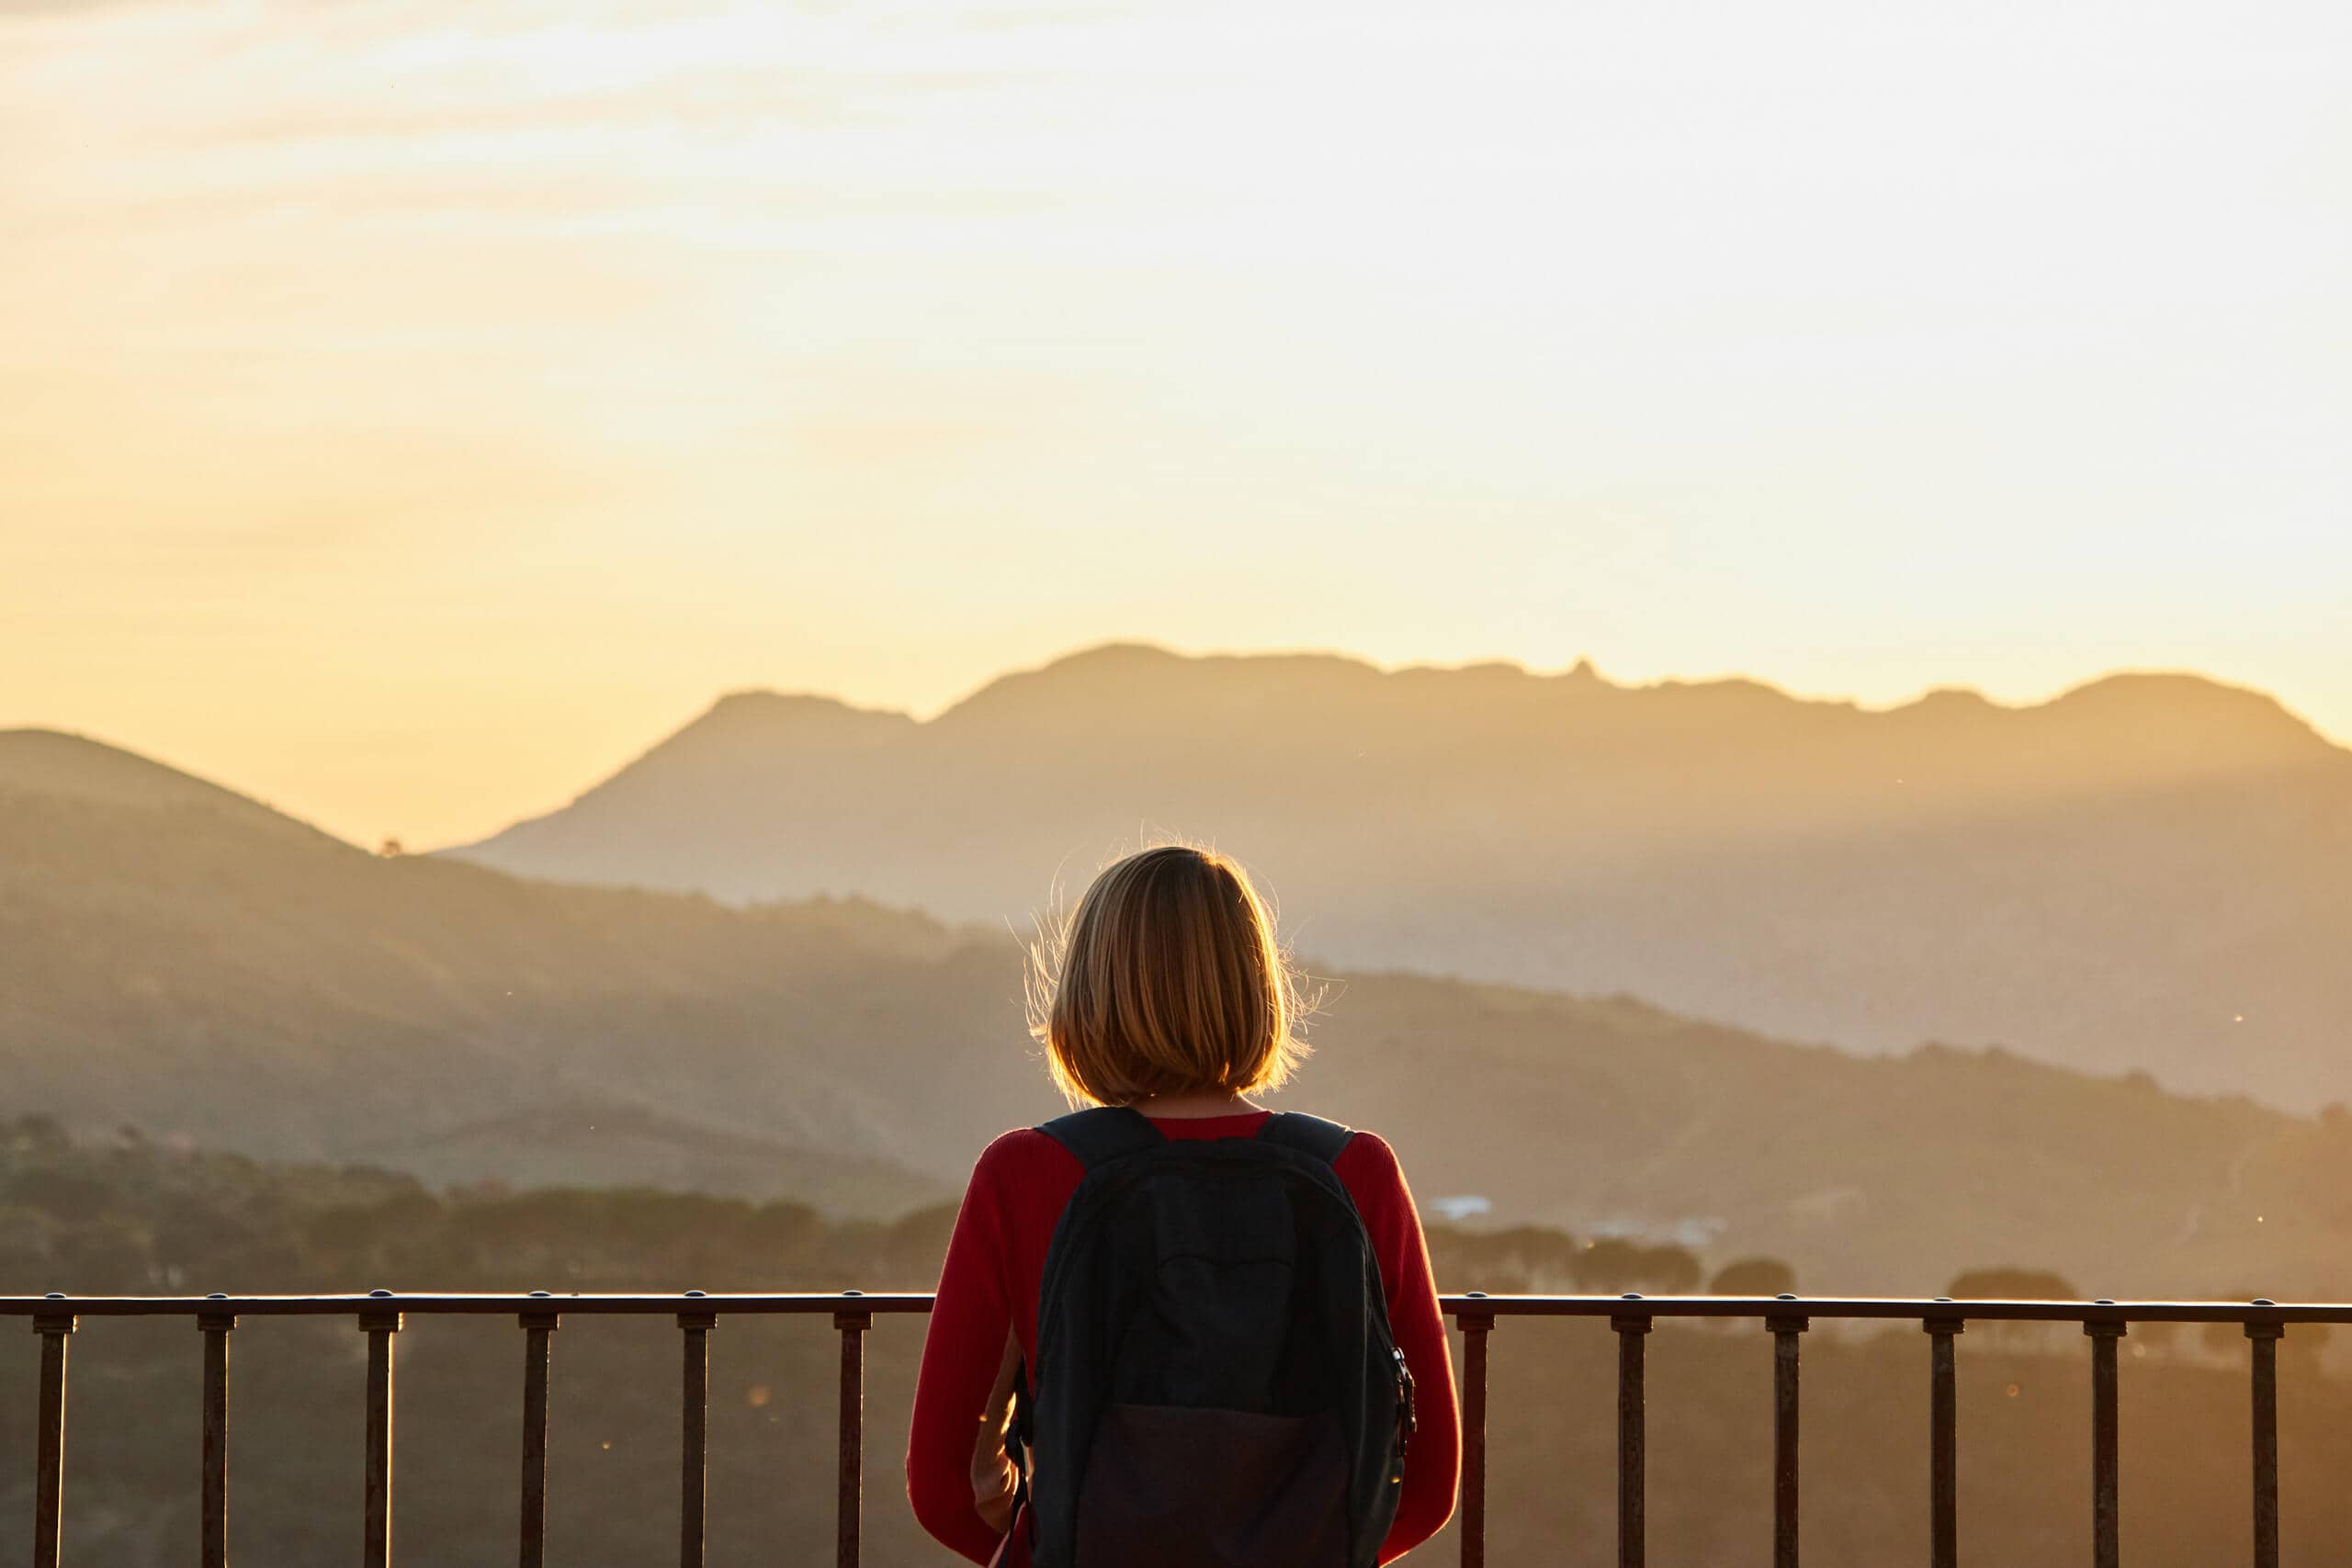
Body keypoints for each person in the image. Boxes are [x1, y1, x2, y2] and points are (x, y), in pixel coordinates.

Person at [906, 844, 1461, 1565]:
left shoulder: (1027, 1171)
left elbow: (948, 1485)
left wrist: (1057, 1542)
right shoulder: (1357, 1171)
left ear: (1089, 990)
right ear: (1257, 987)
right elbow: (1424, 1484)